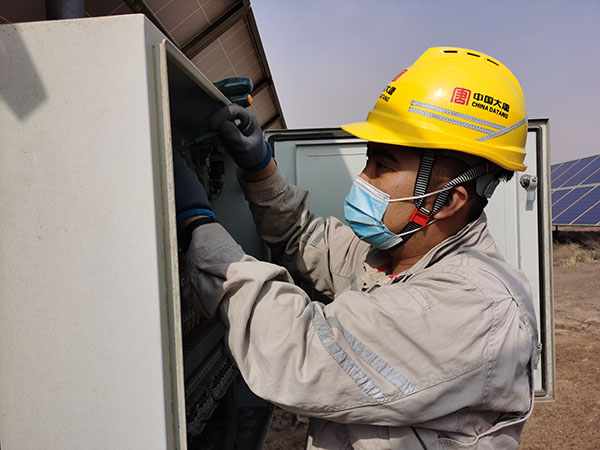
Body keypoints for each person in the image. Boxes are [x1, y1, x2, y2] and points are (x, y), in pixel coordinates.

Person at [174, 47, 541, 449]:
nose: (363, 179)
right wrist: (260, 168)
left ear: (448, 201)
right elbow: (305, 238)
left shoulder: (471, 308)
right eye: (368, 161)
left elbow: (300, 353)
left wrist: (197, 225)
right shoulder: (400, 258)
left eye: (382, 166)